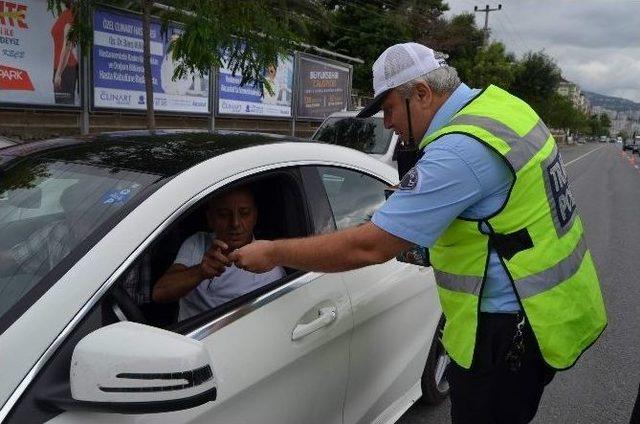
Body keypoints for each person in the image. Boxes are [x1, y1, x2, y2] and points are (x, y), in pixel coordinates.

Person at [229, 42, 607, 424]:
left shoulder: (459, 151)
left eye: (390, 109)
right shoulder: (503, 108)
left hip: (505, 330)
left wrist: (273, 252)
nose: (387, 122)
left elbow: (369, 246)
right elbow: (499, 214)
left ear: (422, 94)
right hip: (548, 308)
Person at [152, 186, 285, 321]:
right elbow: (159, 293)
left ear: (255, 216)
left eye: (244, 213)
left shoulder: (268, 267)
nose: (235, 223)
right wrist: (200, 272)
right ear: (210, 219)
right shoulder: (198, 242)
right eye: (224, 214)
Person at [51, 0, 78, 105]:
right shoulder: (64, 13)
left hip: (66, 68)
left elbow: (67, 47)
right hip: (58, 67)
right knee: (60, 105)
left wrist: (58, 74)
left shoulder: (72, 15)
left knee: (65, 106)